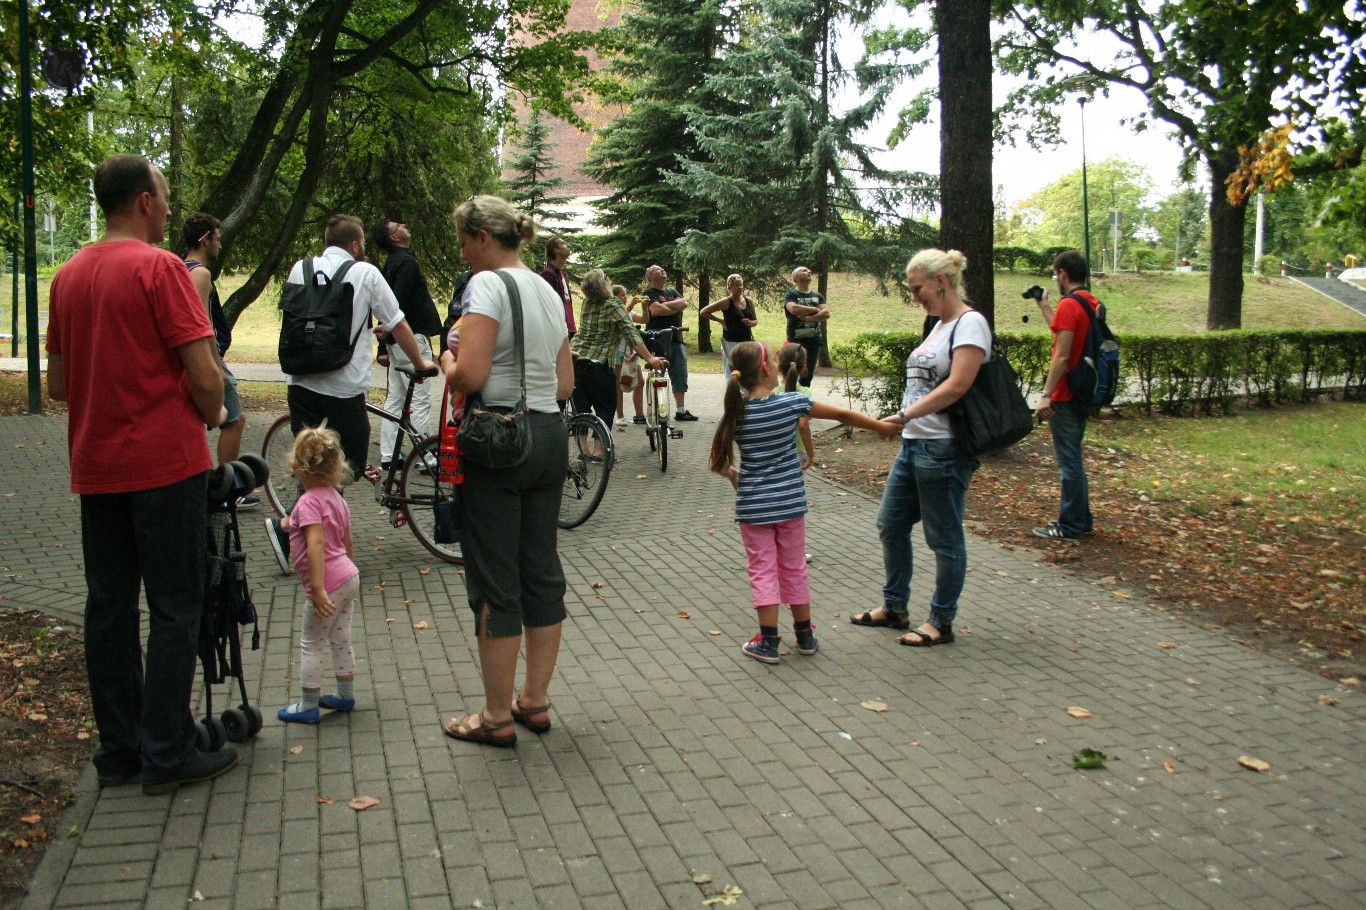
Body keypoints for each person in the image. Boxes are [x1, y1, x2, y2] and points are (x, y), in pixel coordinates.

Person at [46, 154, 238, 794]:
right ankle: (167, 751)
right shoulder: (162, 270)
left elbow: (58, 383)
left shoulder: (68, 275)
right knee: (175, 604)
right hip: (165, 465)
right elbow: (205, 373)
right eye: (165, 196)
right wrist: (209, 413)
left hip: (96, 466)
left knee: (108, 606)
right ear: (145, 203)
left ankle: (120, 750)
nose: (170, 207)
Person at [439, 195, 574, 747]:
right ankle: (534, 701)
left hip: (499, 440)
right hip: (549, 436)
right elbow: (564, 384)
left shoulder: (487, 286)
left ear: (483, 237)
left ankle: (495, 716)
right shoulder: (548, 289)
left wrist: (447, 360)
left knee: (495, 578)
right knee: (540, 569)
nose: (464, 255)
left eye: (464, 243)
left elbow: (469, 376)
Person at [711, 341, 898, 664]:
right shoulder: (792, 403)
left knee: (762, 570)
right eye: (773, 360)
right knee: (794, 567)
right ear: (767, 369)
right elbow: (841, 414)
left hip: (753, 508)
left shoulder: (736, 412)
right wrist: (880, 426)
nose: (777, 365)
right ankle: (805, 636)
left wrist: (734, 476)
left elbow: (718, 461)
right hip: (790, 505)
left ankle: (768, 642)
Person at [266, 215, 435, 573]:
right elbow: (397, 322)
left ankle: (309, 540)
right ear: (356, 245)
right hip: (343, 387)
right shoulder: (365, 272)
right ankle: (291, 527)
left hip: (300, 381)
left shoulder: (300, 268)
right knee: (348, 464)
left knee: (313, 462)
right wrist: (420, 362)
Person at [849, 249, 990, 648]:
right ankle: (895, 607)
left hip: (944, 448)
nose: (915, 297)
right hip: (914, 445)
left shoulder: (970, 323)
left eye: (917, 288)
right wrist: (906, 423)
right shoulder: (938, 325)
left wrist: (905, 415)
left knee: (944, 539)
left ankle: (941, 621)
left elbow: (958, 385)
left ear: (940, 281)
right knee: (891, 525)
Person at [276, 427, 360, 725]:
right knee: (340, 636)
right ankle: (345, 694)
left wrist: (317, 587)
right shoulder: (336, 498)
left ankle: (308, 704)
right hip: (348, 576)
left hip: (328, 582)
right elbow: (346, 539)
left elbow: (316, 542)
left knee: (311, 642)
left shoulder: (308, 502)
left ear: (297, 467)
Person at [181, 213, 256, 507]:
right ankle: (228, 491)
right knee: (234, 421)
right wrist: (215, 367)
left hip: (191, 360)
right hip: (207, 358)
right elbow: (202, 325)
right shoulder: (199, 273)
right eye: (218, 238)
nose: (220, 244)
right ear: (205, 240)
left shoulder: (179, 268)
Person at [1031, 250, 1101, 540]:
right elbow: (1064, 333)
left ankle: (1071, 524)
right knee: (1074, 459)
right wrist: (1045, 307)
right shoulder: (1090, 302)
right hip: (1083, 390)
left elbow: (1061, 356)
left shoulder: (1070, 305)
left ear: (1063, 273)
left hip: (1064, 394)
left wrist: (1046, 394)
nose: (1055, 279)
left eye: (1055, 274)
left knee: (1069, 463)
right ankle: (1081, 520)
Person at [371, 218, 442, 469]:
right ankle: (427, 456)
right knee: (420, 399)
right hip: (411, 338)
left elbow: (386, 304)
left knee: (396, 398)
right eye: (397, 226)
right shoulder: (406, 263)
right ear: (394, 237)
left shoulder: (391, 263)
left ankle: (389, 454)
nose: (403, 226)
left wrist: (384, 343)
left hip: (396, 340)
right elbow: (395, 303)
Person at [572, 269, 667, 427]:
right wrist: (650, 357)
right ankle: (601, 443)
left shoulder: (587, 302)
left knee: (581, 411)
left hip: (576, 359)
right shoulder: (613, 303)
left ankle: (582, 442)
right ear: (603, 283)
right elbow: (631, 333)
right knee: (605, 409)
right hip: (599, 363)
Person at [642, 264, 696, 420]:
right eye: (658, 270)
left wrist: (664, 306)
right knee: (658, 375)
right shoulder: (648, 293)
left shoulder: (672, 291)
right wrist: (673, 307)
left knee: (680, 373)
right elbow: (656, 310)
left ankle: (681, 411)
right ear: (651, 277)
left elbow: (684, 303)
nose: (663, 270)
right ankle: (659, 410)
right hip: (658, 340)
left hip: (676, 339)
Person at [700, 274, 758, 375]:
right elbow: (703, 312)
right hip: (730, 342)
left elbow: (755, 321)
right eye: (736, 285)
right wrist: (720, 321)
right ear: (729, 287)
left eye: (741, 285)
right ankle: (731, 386)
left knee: (747, 372)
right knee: (731, 372)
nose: (740, 287)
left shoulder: (748, 301)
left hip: (747, 342)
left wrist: (750, 322)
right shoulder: (726, 302)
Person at [783, 266, 829, 388]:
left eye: (809, 270)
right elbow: (793, 309)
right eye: (804, 270)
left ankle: (804, 395)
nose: (809, 271)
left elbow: (826, 313)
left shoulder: (818, 296)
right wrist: (815, 309)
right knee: (793, 371)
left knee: (808, 375)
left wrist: (808, 318)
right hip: (796, 340)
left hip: (814, 341)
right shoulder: (791, 294)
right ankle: (790, 394)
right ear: (795, 278)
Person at [612, 284, 645, 428]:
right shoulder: (614, 311)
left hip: (631, 352)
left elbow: (644, 320)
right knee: (619, 384)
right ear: (615, 297)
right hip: (618, 352)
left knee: (639, 381)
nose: (625, 297)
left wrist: (645, 307)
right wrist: (631, 305)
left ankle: (639, 415)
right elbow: (622, 316)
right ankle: (619, 416)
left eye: (626, 294)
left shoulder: (629, 312)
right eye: (622, 294)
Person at [777, 343, 815, 468]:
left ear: (779, 367)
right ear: (803, 367)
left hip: (775, 450)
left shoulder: (771, 392)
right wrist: (810, 453)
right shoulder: (805, 393)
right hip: (797, 451)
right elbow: (803, 425)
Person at [539, 235, 575, 337]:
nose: (567, 246)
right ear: (556, 250)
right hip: (557, 331)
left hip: (568, 329)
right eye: (563, 243)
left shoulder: (562, 274)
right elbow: (547, 305)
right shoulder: (548, 274)